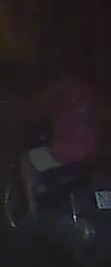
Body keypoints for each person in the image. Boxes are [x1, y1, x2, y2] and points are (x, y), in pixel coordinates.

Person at [20, 50, 102, 216]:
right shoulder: (86, 89)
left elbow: (37, 111)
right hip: (91, 151)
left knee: (26, 159)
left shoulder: (55, 90)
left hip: (66, 153)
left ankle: (32, 208)